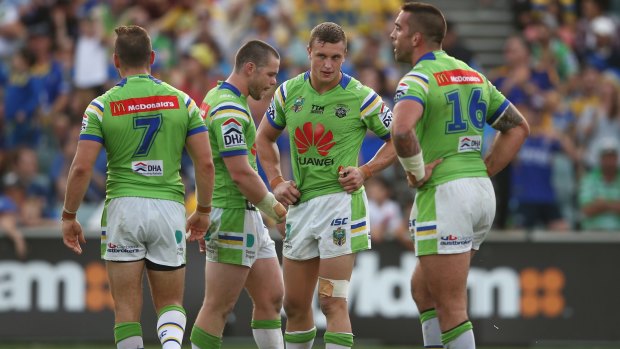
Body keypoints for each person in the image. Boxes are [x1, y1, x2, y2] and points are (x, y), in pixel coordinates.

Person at [61, 25, 215, 349]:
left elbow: (81, 168)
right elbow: (205, 164)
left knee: (127, 311)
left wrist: (68, 215)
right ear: (153, 58)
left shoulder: (101, 106)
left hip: (123, 208)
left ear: (116, 60)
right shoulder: (183, 102)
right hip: (169, 207)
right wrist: (202, 210)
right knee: (171, 303)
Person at [389, 3, 530, 349]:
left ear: (416, 37)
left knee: (451, 307)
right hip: (480, 192)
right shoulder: (472, 74)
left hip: (446, 196)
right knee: (422, 289)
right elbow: (517, 128)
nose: (393, 35)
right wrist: (485, 170)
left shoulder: (417, 78)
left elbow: (401, 131)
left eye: (398, 28)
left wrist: (416, 172)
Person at [256, 22, 396, 349]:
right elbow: (263, 138)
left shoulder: (361, 96)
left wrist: (366, 171)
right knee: (294, 306)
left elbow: (398, 139)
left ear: (345, 56)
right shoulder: (288, 92)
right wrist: (276, 181)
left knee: (332, 302)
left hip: (341, 206)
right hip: (301, 207)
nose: (328, 64)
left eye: (336, 57)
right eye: (321, 56)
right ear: (308, 53)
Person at [190, 40, 287, 349]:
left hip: (244, 213)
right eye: (271, 75)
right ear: (250, 68)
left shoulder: (221, 96)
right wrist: (277, 211)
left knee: (271, 297)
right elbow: (240, 172)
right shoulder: (229, 109)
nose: (274, 83)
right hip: (232, 211)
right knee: (218, 307)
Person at [579, 138, 620, 231]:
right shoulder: (589, 179)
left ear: (617, 158)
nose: (609, 161)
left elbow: (593, 207)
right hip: (594, 235)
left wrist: (603, 205)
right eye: (606, 157)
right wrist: (614, 205)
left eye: (612, 156)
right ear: (600, 158)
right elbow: (586, 210)